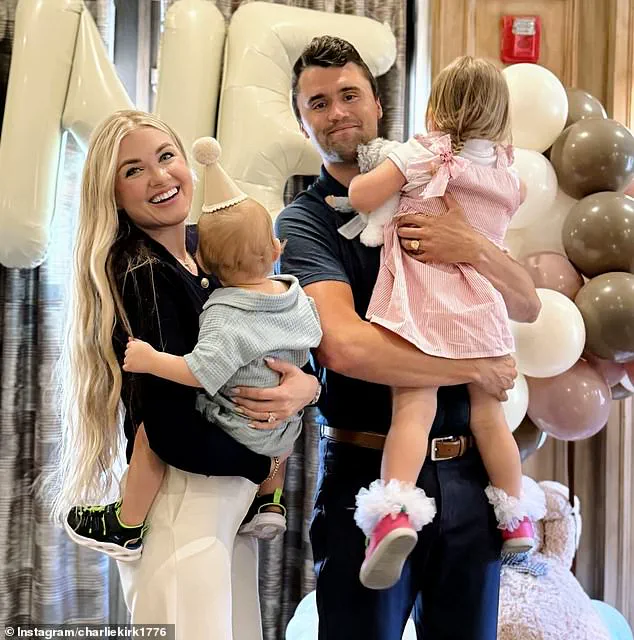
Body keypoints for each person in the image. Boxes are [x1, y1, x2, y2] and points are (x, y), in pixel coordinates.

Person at [277, 36, 541, 640]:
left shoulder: (447, 185)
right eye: (318, 103)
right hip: (367, 476)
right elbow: (345, 347)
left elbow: (527, 304)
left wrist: (472, 248)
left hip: (468, 477)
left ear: (378, 104)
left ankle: (512, 516)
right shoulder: (304, 222)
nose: (337, 111)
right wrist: (473, 368)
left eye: (349, 95)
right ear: (302, 122)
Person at [53, 110, 320, 640]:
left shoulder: (213, 250)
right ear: (113, 194)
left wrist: (307, 387)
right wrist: (263, 460)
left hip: (226, 501)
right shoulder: (144, 271)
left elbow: (278, 335)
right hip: (184, 498)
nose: (159, 177)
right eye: (133, 170)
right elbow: (170, 428)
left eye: (166, 156)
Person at [347, 56, 545, 590]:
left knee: (413, 410)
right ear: (500, 116)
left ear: (435, 107)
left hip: (425, 303)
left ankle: (392, 515)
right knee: (491, 418)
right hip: (482, 305)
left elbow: (362, 195)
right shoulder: (507, 176)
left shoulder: (425, 154)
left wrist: (388, 176)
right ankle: (515, 517)